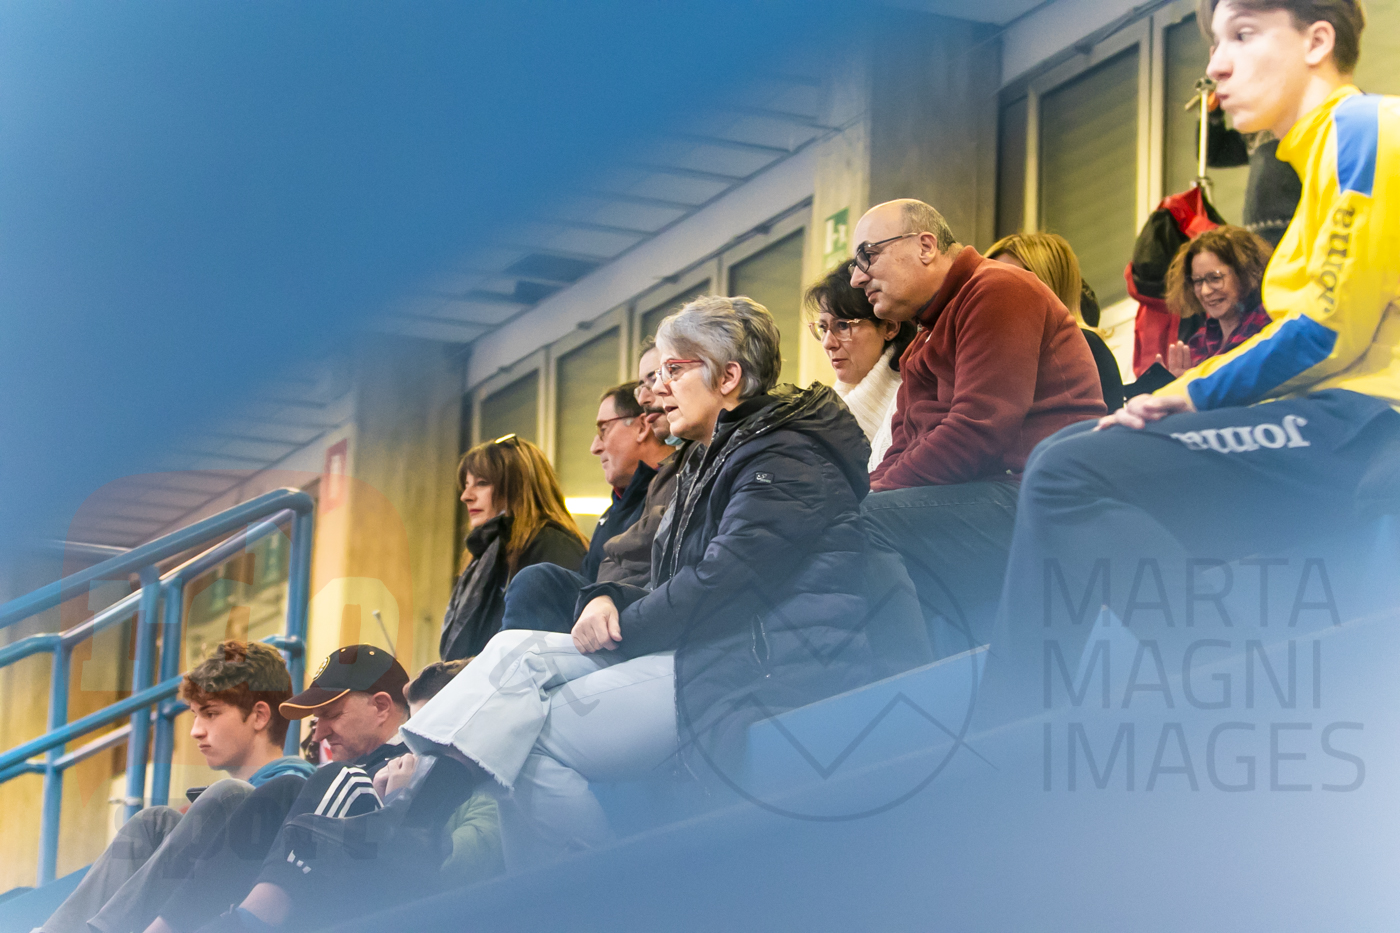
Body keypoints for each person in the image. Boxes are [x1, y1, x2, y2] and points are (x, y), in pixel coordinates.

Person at [983, 0, 1398, 723]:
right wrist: (1185, 393)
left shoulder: (1366, 130)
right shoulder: (1320, 161)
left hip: (1370, 423)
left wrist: (1190, 394)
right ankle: (1037, 723)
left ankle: (1222, 699)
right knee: (1066, 460)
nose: (1216, 66)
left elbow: (1327, 331)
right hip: (1332, 419)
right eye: (1213, 43)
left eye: (1243, 35)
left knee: (1066, 470)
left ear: (1317, 41)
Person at [399, 295, 875, 872]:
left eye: (674, 370)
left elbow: (724, 583)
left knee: (528, 741)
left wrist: (623, 623)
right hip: (710, 645)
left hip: (759, 661)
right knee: (511, 650)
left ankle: (587, 893)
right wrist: (606, 595)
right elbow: (677, 577)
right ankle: (415, 818)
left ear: (728, 378)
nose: (656, 390)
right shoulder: (710, 457)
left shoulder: (784, 456)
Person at [847, 199, 1106, 656]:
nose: (857, 278)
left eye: (868, 255)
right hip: (994, 496)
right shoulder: (923, 338)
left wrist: (862, 504)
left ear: (925, 245)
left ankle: (908, 685)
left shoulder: (998, 289)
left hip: (1046, 499)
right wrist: (855, 498)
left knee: (859, 524)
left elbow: (978, 429)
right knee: (844, 523)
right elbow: (901, 451)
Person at [42, 641, 313, 933]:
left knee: (229, 794)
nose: (196, 730)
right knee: (155, 821)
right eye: (195, 715)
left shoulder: (300, 793)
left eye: (211, 714)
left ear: (259, 716)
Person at [498, 342, 689, 633]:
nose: (594, 447)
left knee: (537, 580)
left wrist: (604, 598)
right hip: (615, 627)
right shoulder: (617, 509)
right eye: (647, 381)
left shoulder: (682, 480)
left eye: (603, 429)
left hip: (635, 632)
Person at [440, 434, 589, 661]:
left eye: (481, 483)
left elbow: (545, 651)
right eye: (466, 485)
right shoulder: (487, 553)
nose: (465, 496)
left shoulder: (554, 546)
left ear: (518, 486)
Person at [987, 232, 1126, 413]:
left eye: (1010, 285)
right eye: (989, 283)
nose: (995, 296)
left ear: (1048, 288)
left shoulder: (1082, 347)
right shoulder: (982, 351)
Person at [805, 259, 916, 469]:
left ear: (889, 327)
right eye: (823, 328)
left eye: (842, 325)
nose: (828, 343)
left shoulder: (914, 398)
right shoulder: (830, 409)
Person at [1158, 224, 1274, 375]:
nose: (1205, 291)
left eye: (1215, 278)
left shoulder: (1268, 329)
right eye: (1198, 281)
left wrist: (1194, 385)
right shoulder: (1199, 342)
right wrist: (1178, 384)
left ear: (1245, 274)